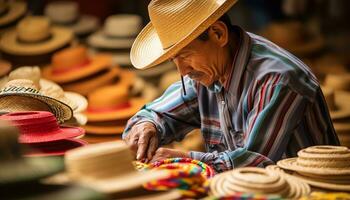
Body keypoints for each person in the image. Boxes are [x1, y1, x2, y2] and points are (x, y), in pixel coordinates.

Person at [122, 0, 339, 173]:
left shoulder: (278, 79)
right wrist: (147, 126)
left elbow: (254, 163)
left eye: (185, 56)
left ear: (218, 34)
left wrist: (187, 160)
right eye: (173, 60)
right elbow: (157, 113)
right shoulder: (207, 70)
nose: (182, 71)